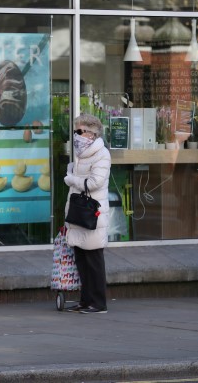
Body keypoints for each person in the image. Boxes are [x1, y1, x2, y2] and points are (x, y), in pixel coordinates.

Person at [64, 114, 111, 314]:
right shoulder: (81, 154)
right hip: (78, 212)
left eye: (80, 131)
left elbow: (94, 183)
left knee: (93, 260)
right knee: (81, 260)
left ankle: (98, 303)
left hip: (92, 214)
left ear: (92, 134)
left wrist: (72, 179)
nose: (77, 135)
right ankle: (85, 300)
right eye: (76, 131)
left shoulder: (101, 154)